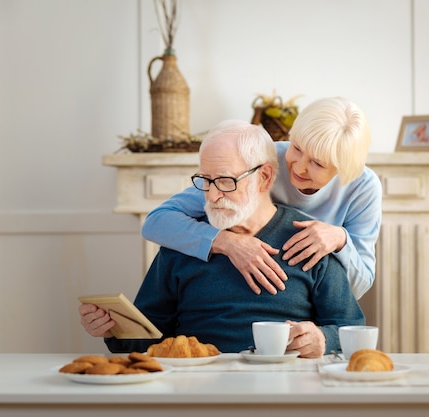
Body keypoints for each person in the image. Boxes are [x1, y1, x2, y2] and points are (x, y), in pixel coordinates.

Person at [79, 120, 365, 358]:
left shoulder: (311, 240)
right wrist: (112, 329)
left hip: (285, 388)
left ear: (264, 177)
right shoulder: (183, 244)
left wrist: (322, 339)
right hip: (198, 388)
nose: (213, 195)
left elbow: (351, 327)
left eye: (226, 181)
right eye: (205, 180)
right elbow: (147, 338)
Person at [141, 97, 382, 298]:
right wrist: (227, 242)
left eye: (317, 163)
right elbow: (157, 221)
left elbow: (359, 286)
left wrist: (340, 239)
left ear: (342, 168)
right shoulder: (263, 162)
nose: (298, 168)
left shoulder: (363, 188)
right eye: (296, 147)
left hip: (308, 298)